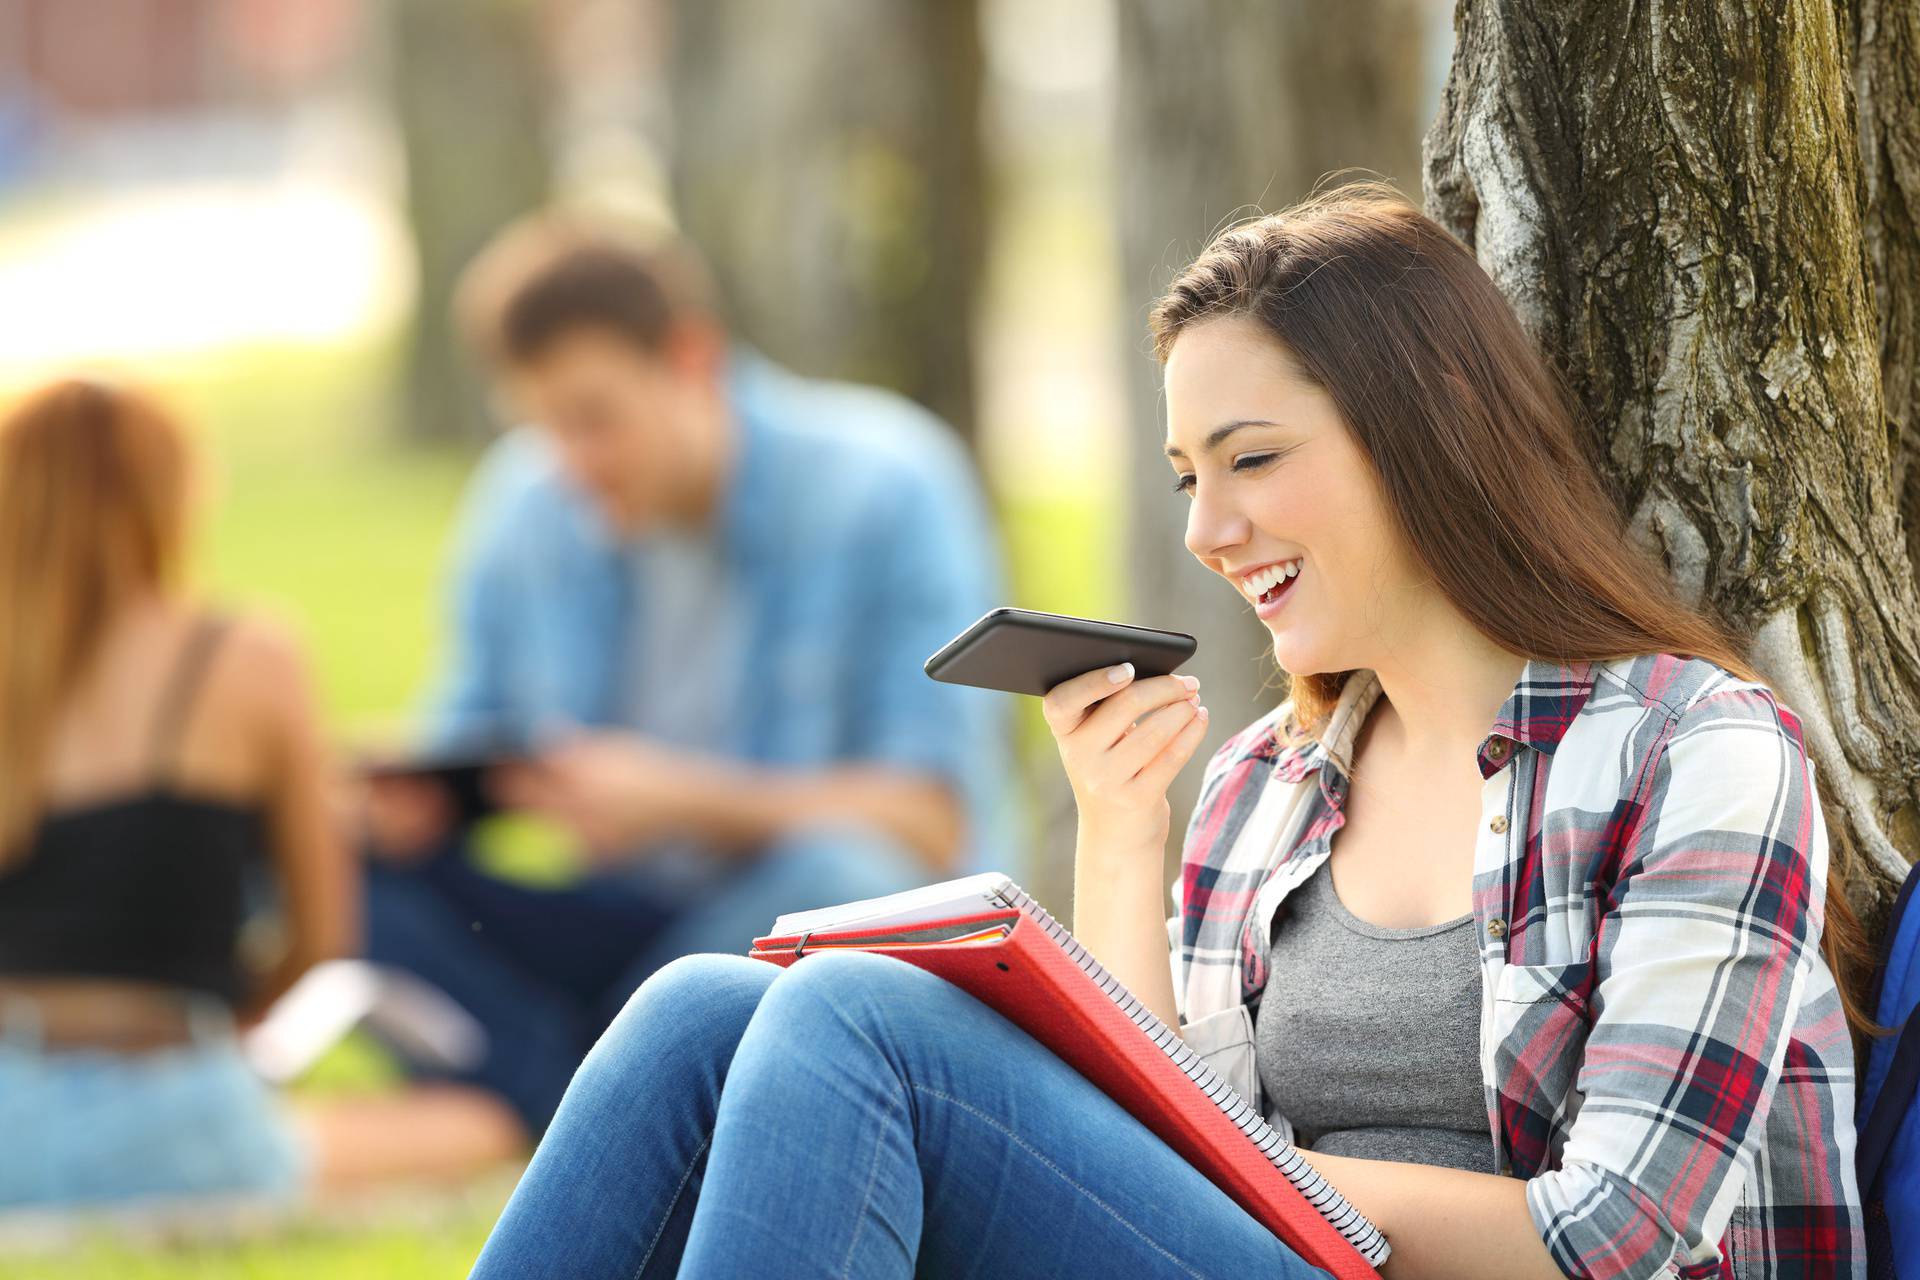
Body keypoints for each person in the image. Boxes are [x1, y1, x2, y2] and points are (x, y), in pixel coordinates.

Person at [464, 183, 1873, 1279]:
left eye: (1255, 460)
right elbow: (1139, 1189)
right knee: (701, 1010)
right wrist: (1124, 844)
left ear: (1429, 425)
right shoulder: (1268, 787)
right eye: (1190, 476)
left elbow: (1616, 1235)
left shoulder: (1697, 755)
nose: (1208, 531)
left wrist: (1244, 1162)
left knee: (860, 1022)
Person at [361, 214, 1015, 1138]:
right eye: (544, 428)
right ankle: (595, 1094)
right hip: (624, 926)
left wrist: (681, 802)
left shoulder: (885, 485)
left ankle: (562, 1096)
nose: (571, 463)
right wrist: (411, 803)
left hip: (782, 923)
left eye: (594, 421)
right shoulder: (525, 503)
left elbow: (931, 824)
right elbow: (466, 735)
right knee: (348, 870)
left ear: (691, 359)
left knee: (851, 874)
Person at [0, 379, 521, 1212]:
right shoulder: (242, 658)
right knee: (485, 1127)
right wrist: (228, 1024)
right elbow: (321, 940)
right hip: (175, 1110)